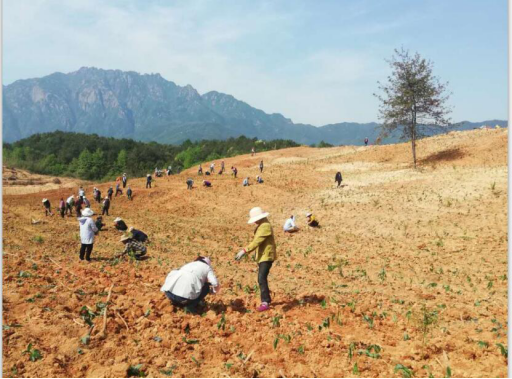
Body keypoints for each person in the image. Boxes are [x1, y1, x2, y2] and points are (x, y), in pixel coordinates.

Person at [235, 207, 277, 312]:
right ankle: (266, 299)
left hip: (266, 256)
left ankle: (265, 301)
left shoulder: (265, 226)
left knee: (261, 278)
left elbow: (257, 241)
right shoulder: (262, 225)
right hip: (263, 256)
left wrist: (244, 251)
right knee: (261, 278)